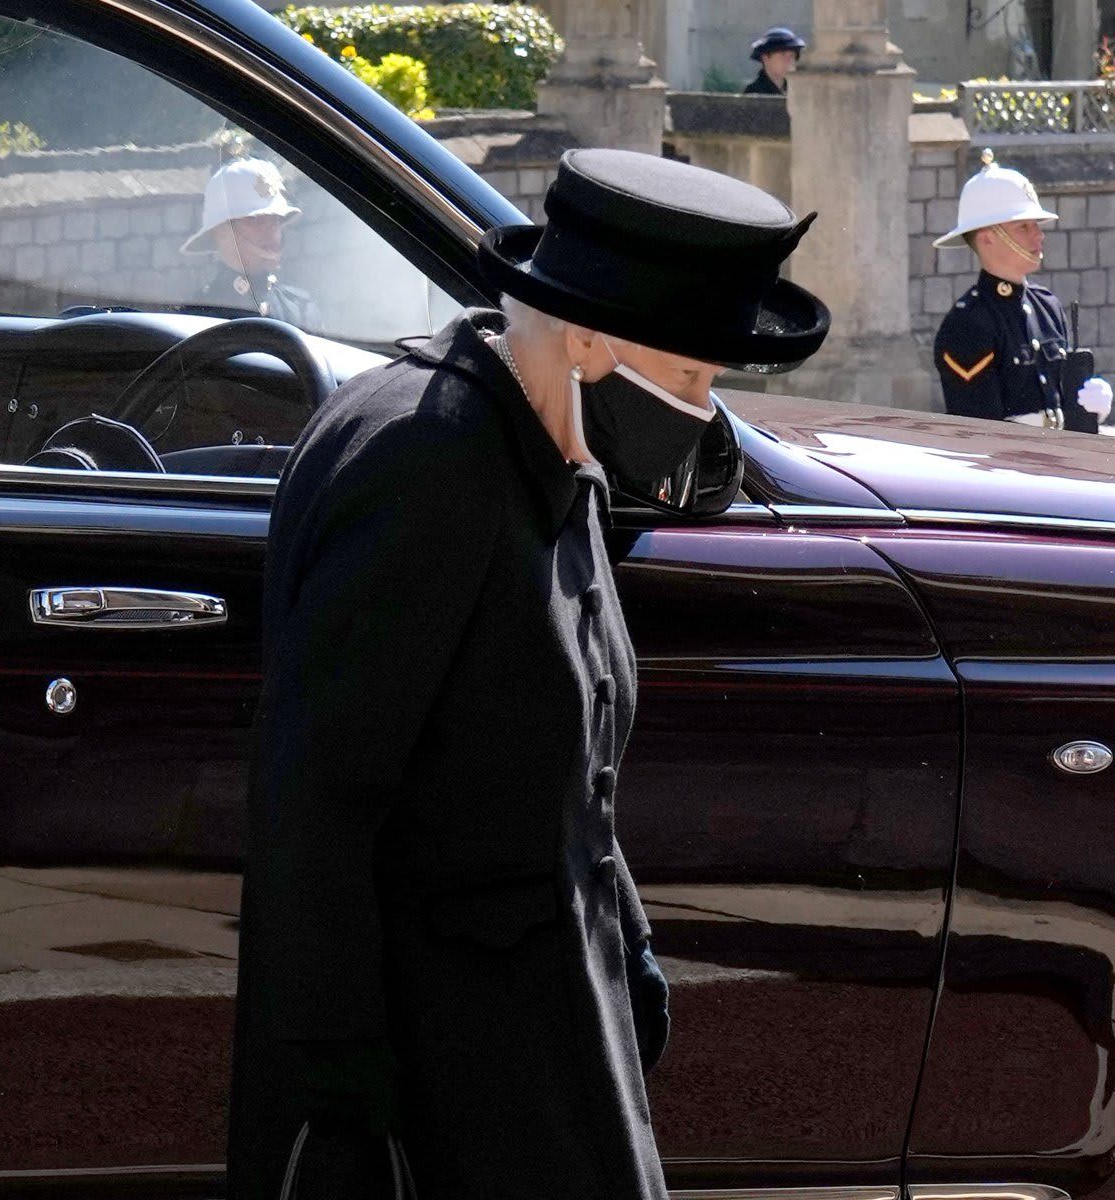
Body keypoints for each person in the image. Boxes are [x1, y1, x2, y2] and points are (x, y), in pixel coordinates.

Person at [226, 147, 829, 1200]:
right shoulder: (425, 465)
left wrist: (630, 953)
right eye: (689, 375)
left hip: (549, 1052)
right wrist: (342, 1114)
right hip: (443, 1094)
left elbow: (568, 775)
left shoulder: (556, 450)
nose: (701, 405)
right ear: (589, 338)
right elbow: (313, 815)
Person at [933, 149, 1114, 429]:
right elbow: (979, 430)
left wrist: (1087, 407)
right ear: (988, 239)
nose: (1038, 235)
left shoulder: (1047, 306)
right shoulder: (968, 323)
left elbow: (1057, 397)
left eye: (1036, 225)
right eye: (1023, 227)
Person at [181, 155, 322, 332]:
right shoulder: (194, 319)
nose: (273, 231)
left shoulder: (302, 312)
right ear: (220, 232)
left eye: (276, 219)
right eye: (256, 219)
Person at [743, 25, 806, 96]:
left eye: (791, 56)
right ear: (765, 58)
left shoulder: (797, 91)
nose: (789, 61)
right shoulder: (754, 92)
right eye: (783, 55)